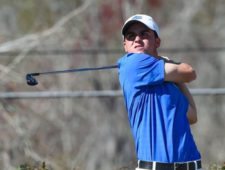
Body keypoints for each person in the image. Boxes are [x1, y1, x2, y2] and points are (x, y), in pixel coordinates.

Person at [117, 14, 202, 170]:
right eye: (131, 36)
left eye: (144, 34)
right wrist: (168, 64)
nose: (137, 39)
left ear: (157, 41)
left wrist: (175, 79)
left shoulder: (168, 85)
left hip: (191, 165)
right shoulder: (133, 63)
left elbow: (192, 115)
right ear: (125, 45)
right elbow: (189, 72)